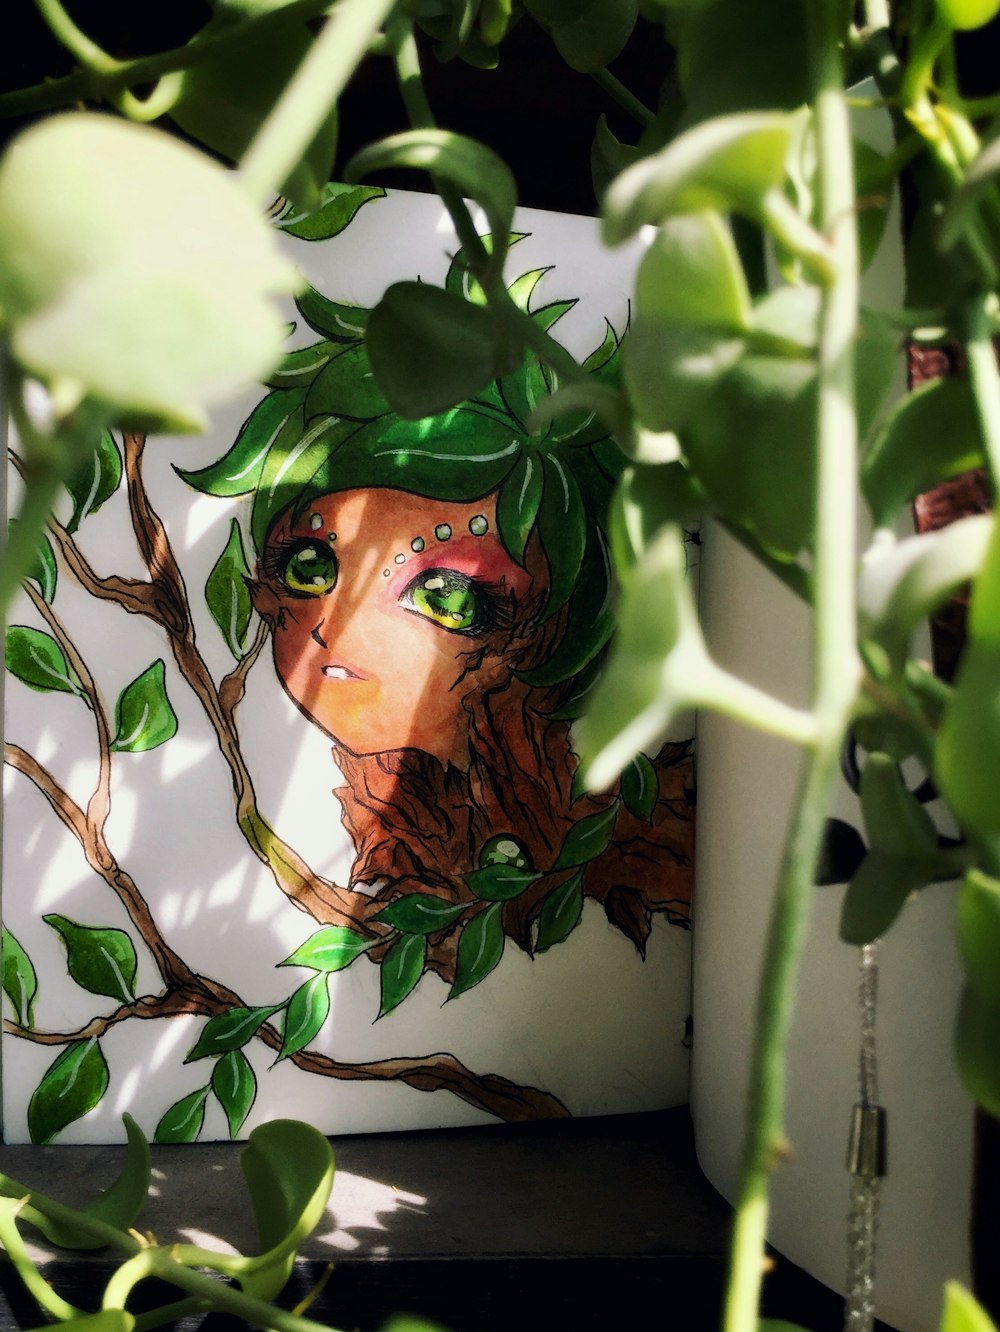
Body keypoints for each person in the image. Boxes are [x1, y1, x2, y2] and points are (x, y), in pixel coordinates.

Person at [181, 269, 693, 964]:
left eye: (445, 596)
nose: (339, 623)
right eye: (310, 567)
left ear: (555, 626)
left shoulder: (641, 831)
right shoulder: (355, 816)